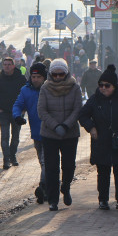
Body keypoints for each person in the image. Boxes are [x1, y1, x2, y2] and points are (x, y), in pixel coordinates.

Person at [78, 64, 118, 210]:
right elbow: (83, 114)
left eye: (107, 85)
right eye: (101, 85)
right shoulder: (95, 99)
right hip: (102, 141)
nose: (103, 88)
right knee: (103, 173)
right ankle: (103, 200)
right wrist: (91, 127)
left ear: (114, 86)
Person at [36, 58, 83, 211]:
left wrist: (66, 125)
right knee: (51, 168)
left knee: (69, 166)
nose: (57, 77)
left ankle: (66, 186)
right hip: (50, 134)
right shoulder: (45, 88)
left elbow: (77, 109)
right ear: (50, 74)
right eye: (54, 75)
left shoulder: (75, 87)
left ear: (66, 73)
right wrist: (55, 126)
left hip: (69, 134)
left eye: (61, 74)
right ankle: (53, 199)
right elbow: (42, 110)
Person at [13, 62, 48, 204]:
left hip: (51, 132)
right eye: (33, 76)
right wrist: (17, 116)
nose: (35, 79)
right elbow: (18, 104)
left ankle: (43, 187)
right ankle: (50, 183)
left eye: (38, 77)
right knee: (42, 161)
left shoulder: (50, 89)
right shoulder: (26, 90)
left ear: (44, 77)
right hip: (36, 133)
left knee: (46, 161)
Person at [0, 56, 27, 170]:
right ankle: (6, 159)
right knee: (4, 136)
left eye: (9, 64)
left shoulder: (21, 79)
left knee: (15, 137)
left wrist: (24, 108)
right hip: (3, 112)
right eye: (5, 64)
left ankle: (12, 156)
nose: (7, 66)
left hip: (17, 113)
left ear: (13, 66)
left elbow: (26, 94)